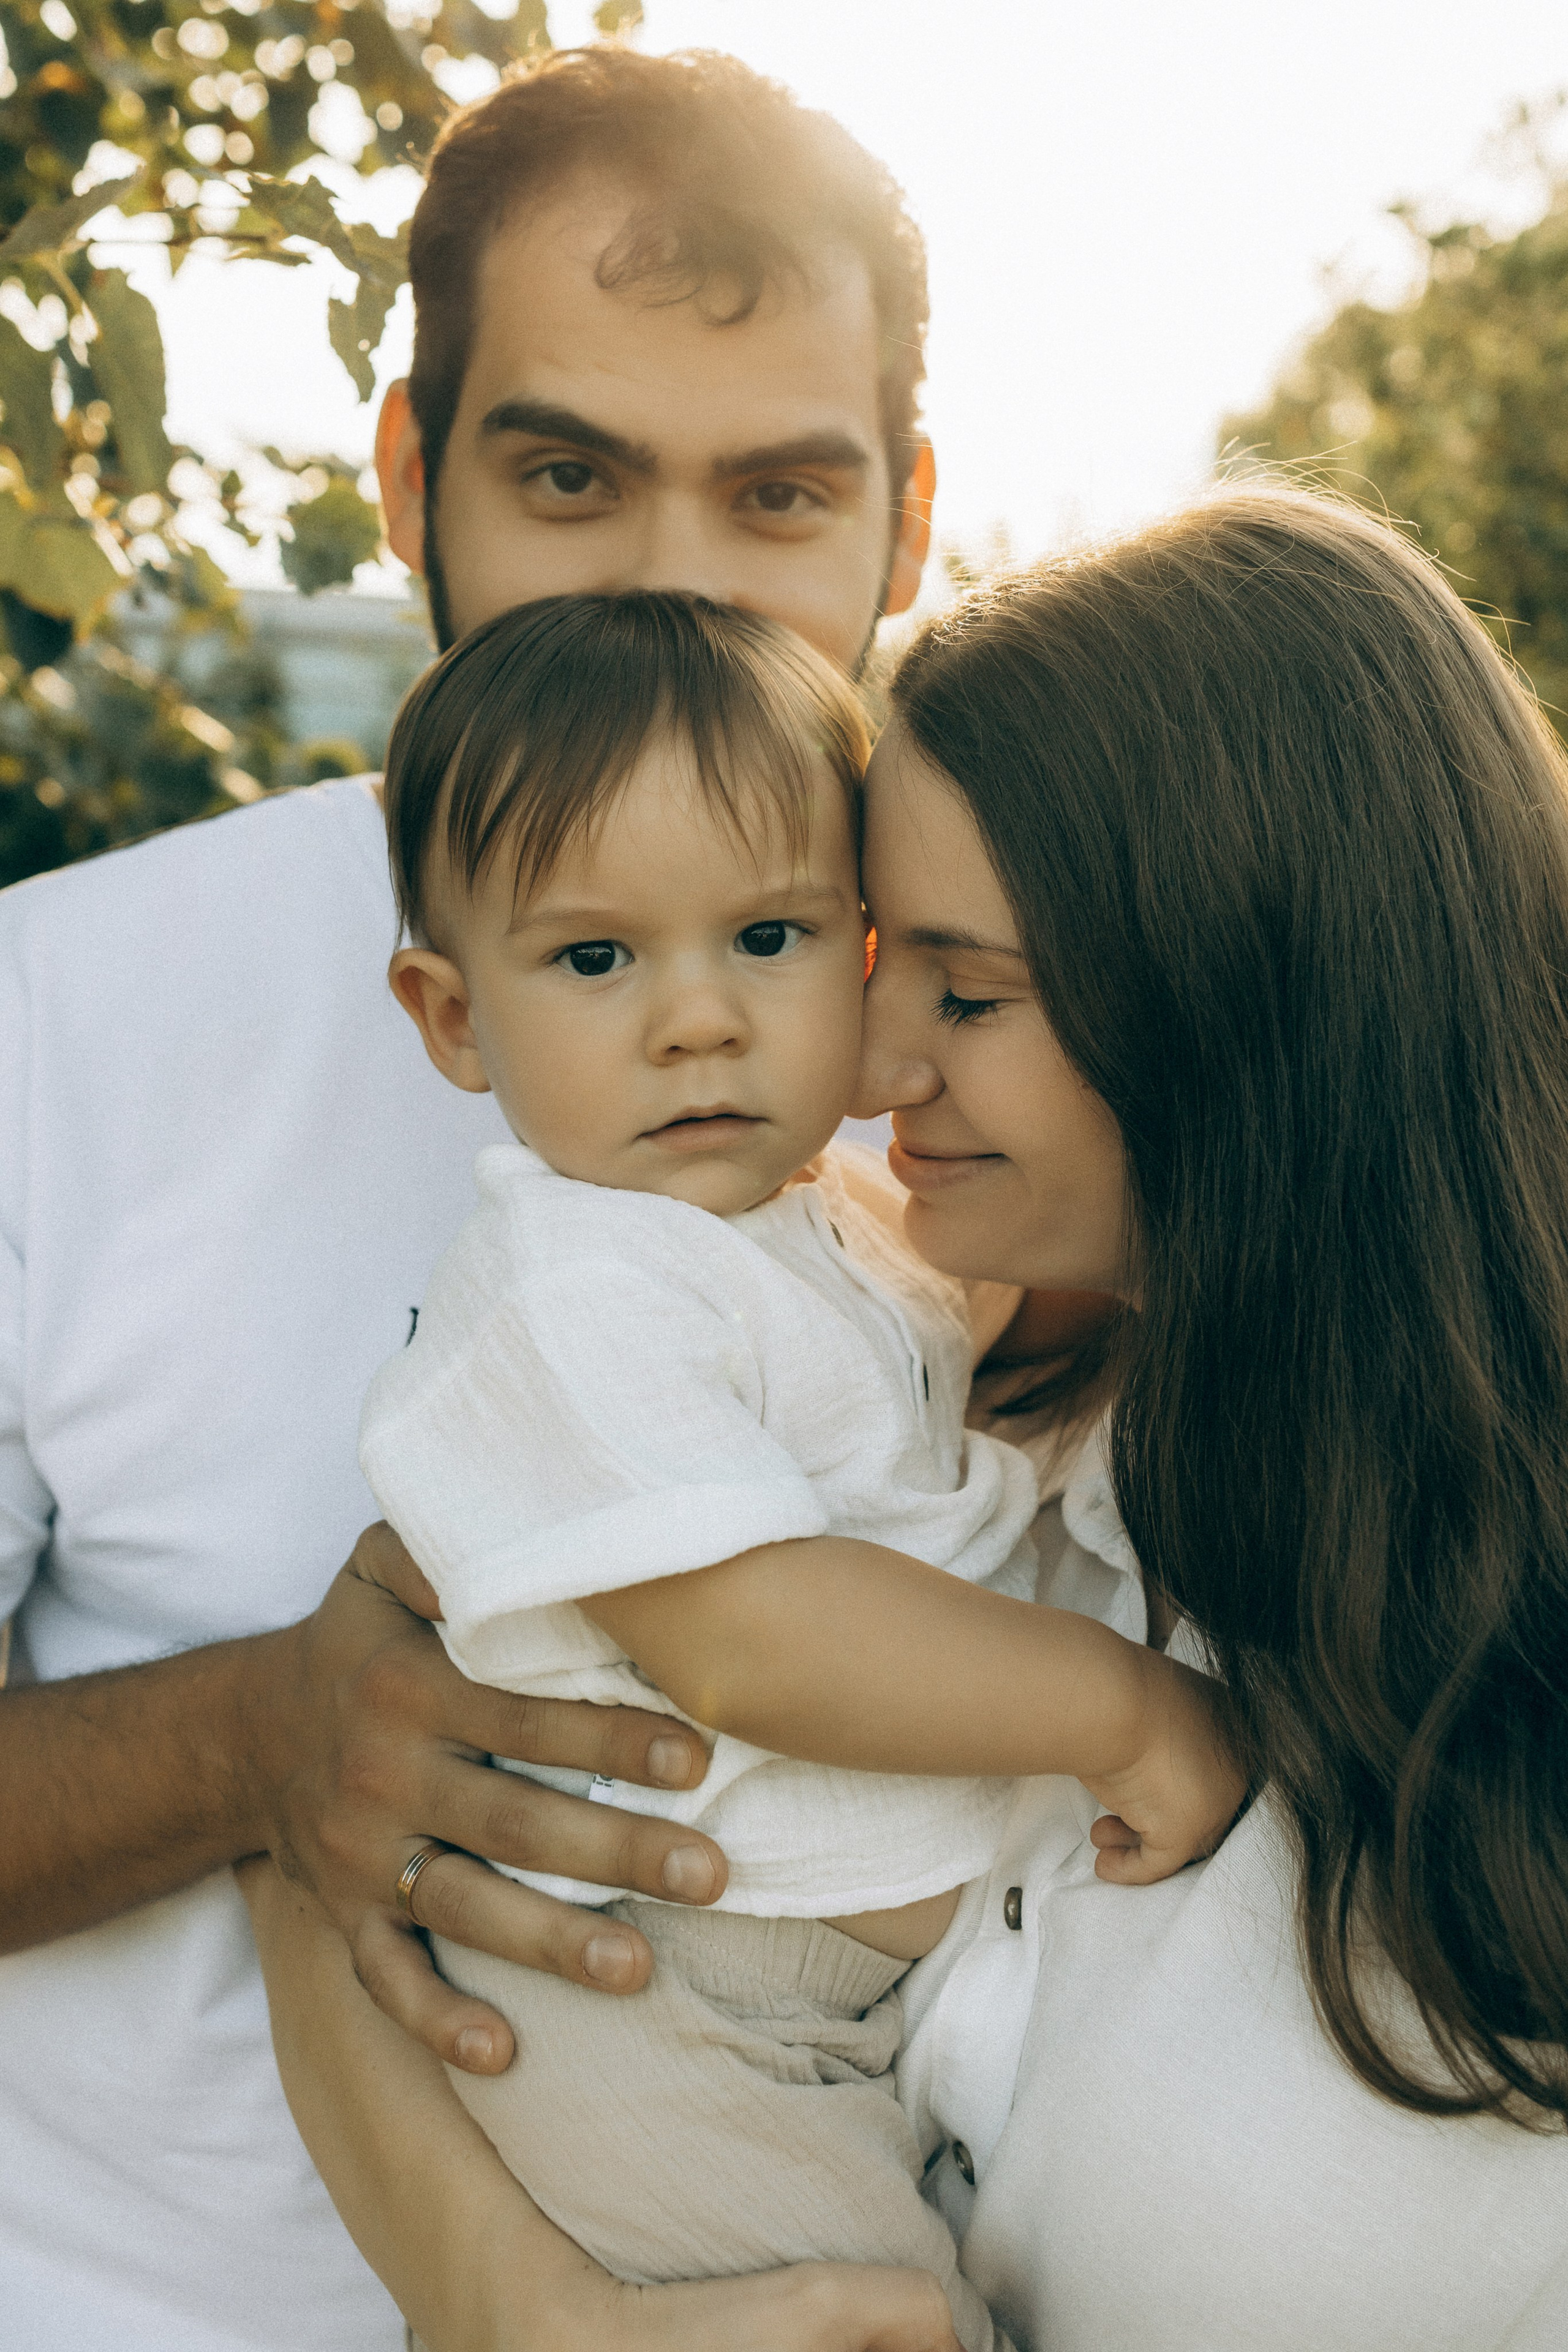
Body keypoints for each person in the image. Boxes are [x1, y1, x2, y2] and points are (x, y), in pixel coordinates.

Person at [244, 487, 1568, 2351]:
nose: (863, 1070)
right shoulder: (995, 1419)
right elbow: (333, 1836)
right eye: (887, 968)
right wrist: (517, 2300)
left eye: (956, 983)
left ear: (1248, 1002)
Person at [0, 47, 941, 2352]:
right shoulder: (58, 1018)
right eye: (567, 476)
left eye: (781, 497)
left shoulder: (1028, 1048)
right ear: (415, 474)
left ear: (906, 523)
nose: (670, 589)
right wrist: (256, 1742)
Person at [356, 589, 1237, 2351]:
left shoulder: (816, 1229)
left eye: (765, 938)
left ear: (856, 947)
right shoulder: (569, 1282)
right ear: (454, 1020)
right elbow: (749, 1634)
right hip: (673, 2010)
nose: (698, 1021)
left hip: (853, 1996)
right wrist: (1126, 1711)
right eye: (597, 960)